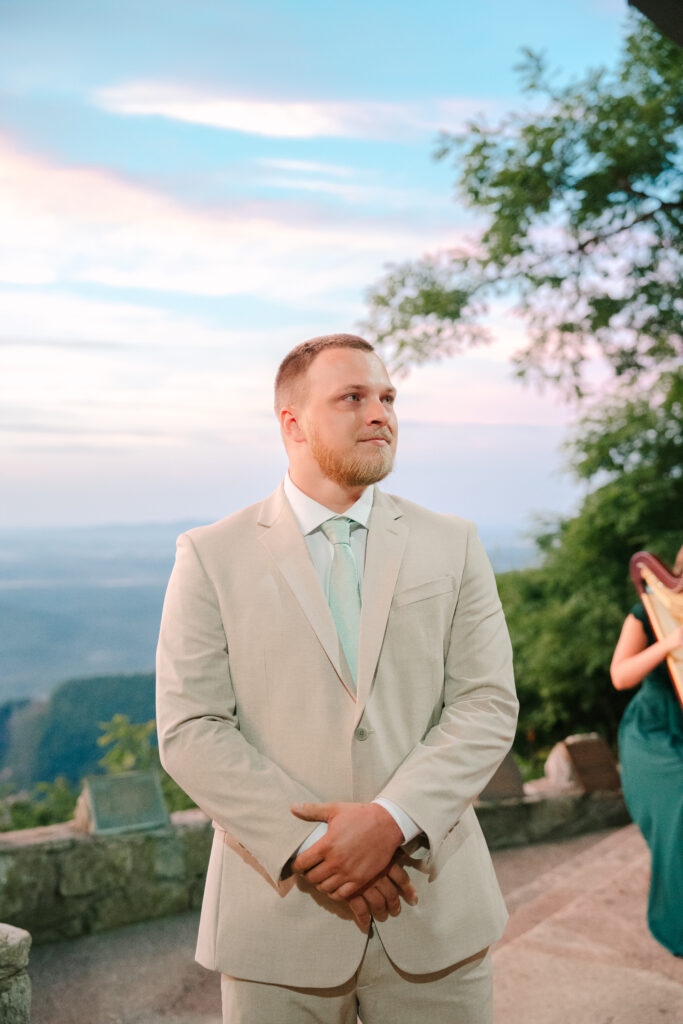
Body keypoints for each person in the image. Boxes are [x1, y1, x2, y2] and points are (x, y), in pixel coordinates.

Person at [156, 333, 518, 1022]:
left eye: (386, 397)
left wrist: (391, 821)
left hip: (435, 916)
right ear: (290, 423)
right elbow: (191, 729)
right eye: (352, 397)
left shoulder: (454, 542)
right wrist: (318, 848)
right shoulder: (209, 555)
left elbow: (485, 704)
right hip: (278, 924)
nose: (379, 413)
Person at [610, 546, 683, 956]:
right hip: (652, 737)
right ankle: (676, 924)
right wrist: (671, 641)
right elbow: (620, 675)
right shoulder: (646, 613)